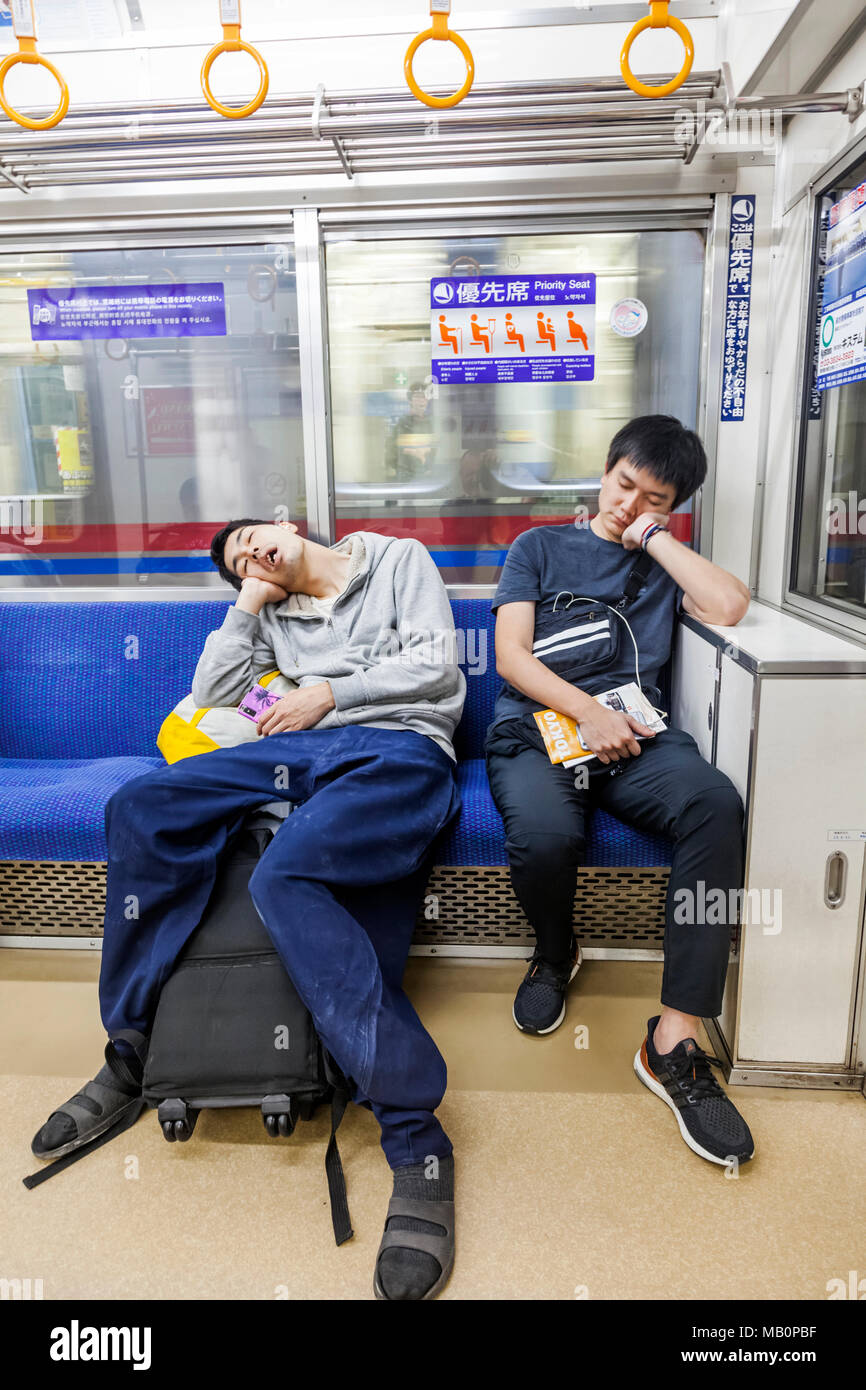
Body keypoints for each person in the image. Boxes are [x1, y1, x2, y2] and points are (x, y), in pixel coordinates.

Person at [31, 518, 466, 1302]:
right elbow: (213, 696)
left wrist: (328, 693)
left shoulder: (398, 559)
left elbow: (437, 665)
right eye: (238, 563)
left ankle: (415, 1135)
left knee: (284, 878)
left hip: (398, 746)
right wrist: (250, 603)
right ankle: (134, 1050)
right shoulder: (267, 615)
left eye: (254, 541)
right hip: (294, 753)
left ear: (286, 523)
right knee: (140, 807)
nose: (252, 557)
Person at [485, 415, 756, 1168]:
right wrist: (587, 711)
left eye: (651, 498)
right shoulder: (539, 547)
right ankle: (553, 952)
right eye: (622, 484)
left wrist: (655, 540)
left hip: (638, 739)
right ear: (604, 472)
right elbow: (510, 656)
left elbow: (729, 606)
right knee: (545, 835)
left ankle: (674, 1038)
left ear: (672, 508)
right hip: (542, 728)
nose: (627, 503)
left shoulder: (662, 555)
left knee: (714, 803)